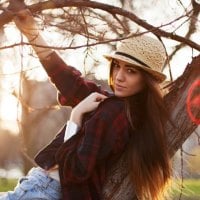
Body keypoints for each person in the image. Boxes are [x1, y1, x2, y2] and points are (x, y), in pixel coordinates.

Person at [0, 9, 172, 200]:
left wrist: (76, 116)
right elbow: (67, 80)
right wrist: (32, 32)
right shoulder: (110, 104)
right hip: (38, 188)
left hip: (44, 192)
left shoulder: (116, 114)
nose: (119, 76)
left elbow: (75, 170)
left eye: (131, 71)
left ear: (146, 79)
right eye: (117, 65)